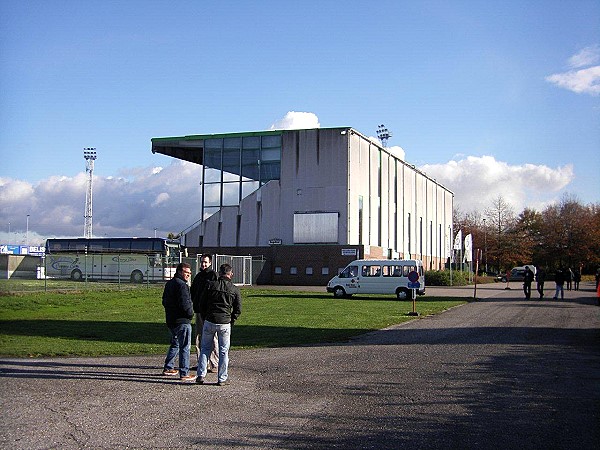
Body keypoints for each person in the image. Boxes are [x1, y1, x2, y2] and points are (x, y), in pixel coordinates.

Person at [197, 263, 242, 386]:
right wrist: (231, 319)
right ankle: (222, 378)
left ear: (219, 273)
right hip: (224, 322)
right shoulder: (234, 289)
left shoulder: (210, 285)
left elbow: (202, 304)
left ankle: (201, 374)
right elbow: (238, 309)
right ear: (230, 274)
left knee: (205, 348)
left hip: (210, 319)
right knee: (223, 351)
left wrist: (205, 316)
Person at [162, 262, 196, 383]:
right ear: (181, 272)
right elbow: (185, 304)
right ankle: (184, 373)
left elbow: (164, 301)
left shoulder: (169, 284)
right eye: (187, 273)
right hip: (182, 320)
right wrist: (190, 314)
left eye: (190, 273)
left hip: (171, 319)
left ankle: (168, 367)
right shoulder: (182, 285)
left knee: (175, 343)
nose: (188, 275)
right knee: (184, 346)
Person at [190, 254, 218, 371]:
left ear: (210, 263)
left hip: (210, 312)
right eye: (202, 262)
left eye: (206, 262)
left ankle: (214, 363)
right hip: (199, 311)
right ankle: (202, 363)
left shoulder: (213, 275)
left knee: (213, 338)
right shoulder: (198, 276)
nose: (203, 264)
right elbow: (193, 291)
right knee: (199, 337)